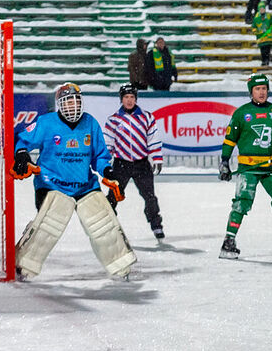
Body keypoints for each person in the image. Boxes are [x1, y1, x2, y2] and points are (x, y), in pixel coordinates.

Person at [11, 83, 136, 281]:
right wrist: (21, 155)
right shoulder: (46, 122)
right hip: (51, 184)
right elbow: (22, 141)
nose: (73, 106)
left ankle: (120, 264)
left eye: (76, 101)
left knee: (102, 221)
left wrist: (108, 171)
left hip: (84, 185)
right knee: (51, 220)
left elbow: (100, 156)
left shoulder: (90, 123)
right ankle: (23, 263)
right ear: (60, 104)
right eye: (68, 101)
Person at [218, 73, 272, 259]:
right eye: (257, 89)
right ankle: (228, 241)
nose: (261, 92)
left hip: (271, 166)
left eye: (264, 89)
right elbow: (229, 140)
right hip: (248, 168)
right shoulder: (241, 113)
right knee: (241, 204)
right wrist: (224, 162)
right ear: (251, 91)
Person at [102, 84, 165, 241]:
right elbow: (108, 143)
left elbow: (153, 139)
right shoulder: (113, 120)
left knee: (150, 197)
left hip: (141, 164)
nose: (129, 100)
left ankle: (156, 224)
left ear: (136, 99)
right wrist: (105, 164)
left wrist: (157, 158)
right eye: (126, 97)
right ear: (121, 99)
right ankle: (109, 225)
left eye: (132, 97)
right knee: (113, 196)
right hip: (121, 164)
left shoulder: (146, 117)